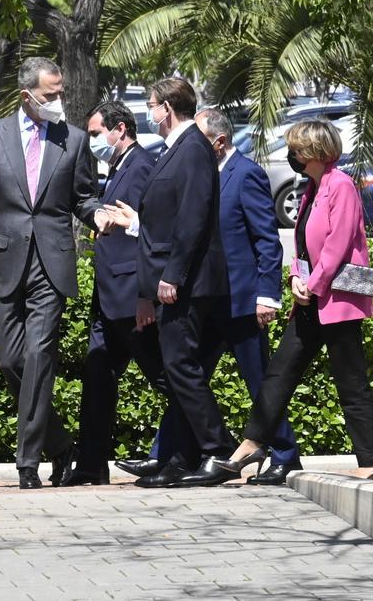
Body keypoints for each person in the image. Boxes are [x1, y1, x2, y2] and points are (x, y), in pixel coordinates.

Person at [0, 56, 105, 489]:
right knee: (12, 362)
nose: (59, 100)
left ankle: (28, 465)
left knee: (40, 356)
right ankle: (61, 446)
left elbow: (84, 197)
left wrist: (99, 217)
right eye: (51, 94)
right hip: (4, 260)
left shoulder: (73, 140)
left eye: (60, 92)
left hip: (52, 262)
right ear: (27, 96)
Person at [219, 119, 373, 482]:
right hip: (311, 297)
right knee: (280, 372)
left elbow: (338, 243)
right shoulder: (312, 188)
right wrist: (297, 275)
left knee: (350, 379)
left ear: (314, 151)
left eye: (296, 150)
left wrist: (312, 283)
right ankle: (252, 443)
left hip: (338, 300)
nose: (292, 156)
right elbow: (303, 245)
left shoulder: (340, 185)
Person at [104, 77, 236, 488]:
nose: (149, 111)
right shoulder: (175, 148)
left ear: (167, 107)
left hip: (189, 283)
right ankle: (179, 457)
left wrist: (172, 276)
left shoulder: (193, 147)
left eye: (151, 104)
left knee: (180, 365)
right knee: (179, 368)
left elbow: (193, 218)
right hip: (171, 280)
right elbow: (164, 218)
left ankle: (219, 450)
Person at [66, 100, 171, 486]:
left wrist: (146, 294)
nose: (92, 140)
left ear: (120, 129)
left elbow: (151, 235)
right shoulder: (118, 166)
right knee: (97, 380)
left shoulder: (141, 166)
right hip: (108, 297)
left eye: (96, 134)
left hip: (131, 298)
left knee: (164, 377)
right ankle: (91, 465)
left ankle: (206, 446)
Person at [195, 107, 300, 484]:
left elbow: (267, 242)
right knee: (190, 375)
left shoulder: (247, 174)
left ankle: (286, 454)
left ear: (220, 142)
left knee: (259, 380)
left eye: (201, 140)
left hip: (242, 301)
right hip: (211, 300)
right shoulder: (206, 175)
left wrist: (267, 295)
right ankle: (171, 454)